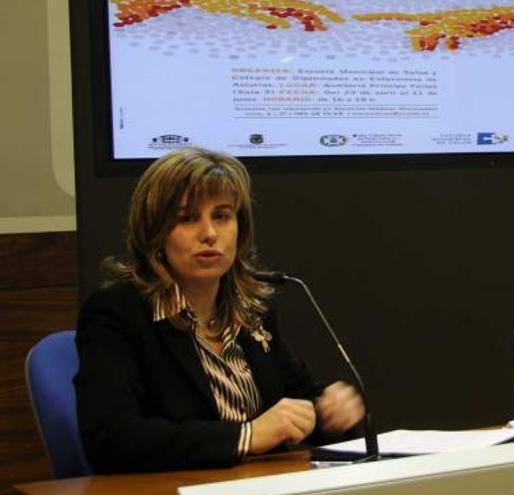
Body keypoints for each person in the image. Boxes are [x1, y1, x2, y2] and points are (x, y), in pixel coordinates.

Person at [75, 147, 365, 473]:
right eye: (187, 218)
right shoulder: (118, 314)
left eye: (222, 216)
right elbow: (110, 438)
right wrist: (245, 436)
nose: (210, 234)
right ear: (154, 234)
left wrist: (331, 413)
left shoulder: (251, 310)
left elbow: (297, 400)